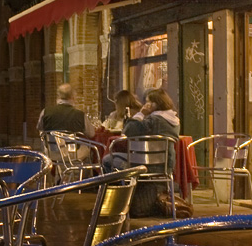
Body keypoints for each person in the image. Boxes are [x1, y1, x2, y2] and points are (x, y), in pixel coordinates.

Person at [103, 88, 181, 217]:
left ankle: (119, 201)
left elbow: (127, 130)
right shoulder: (174, 121)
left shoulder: (152, 120)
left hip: (145, 165)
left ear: (155, 104)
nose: (146, 104)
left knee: (108, 160)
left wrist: (141, 113)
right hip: (166, 165)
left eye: (148, 102)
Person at [37, 83, 94, 160]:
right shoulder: (80, 114)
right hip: (73, 153)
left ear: (58, 96)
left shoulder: (45, 112)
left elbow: (40, 130)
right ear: (72, 97)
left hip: (52, 153)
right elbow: (91, 134)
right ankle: (83, 171)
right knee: (89, 149)